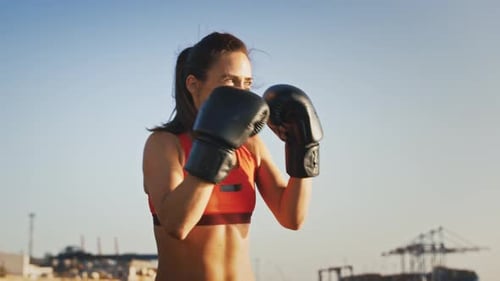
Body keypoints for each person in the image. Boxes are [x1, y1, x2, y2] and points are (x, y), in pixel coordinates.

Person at [142, 32, 323, 281]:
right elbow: (177, 225)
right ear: (193, 84)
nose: (242, 93)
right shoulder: (164, 144)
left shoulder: (251, 146)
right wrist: (215, 147)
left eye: (247, 84)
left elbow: (291, 217)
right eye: (229, 82)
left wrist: (302, 147)